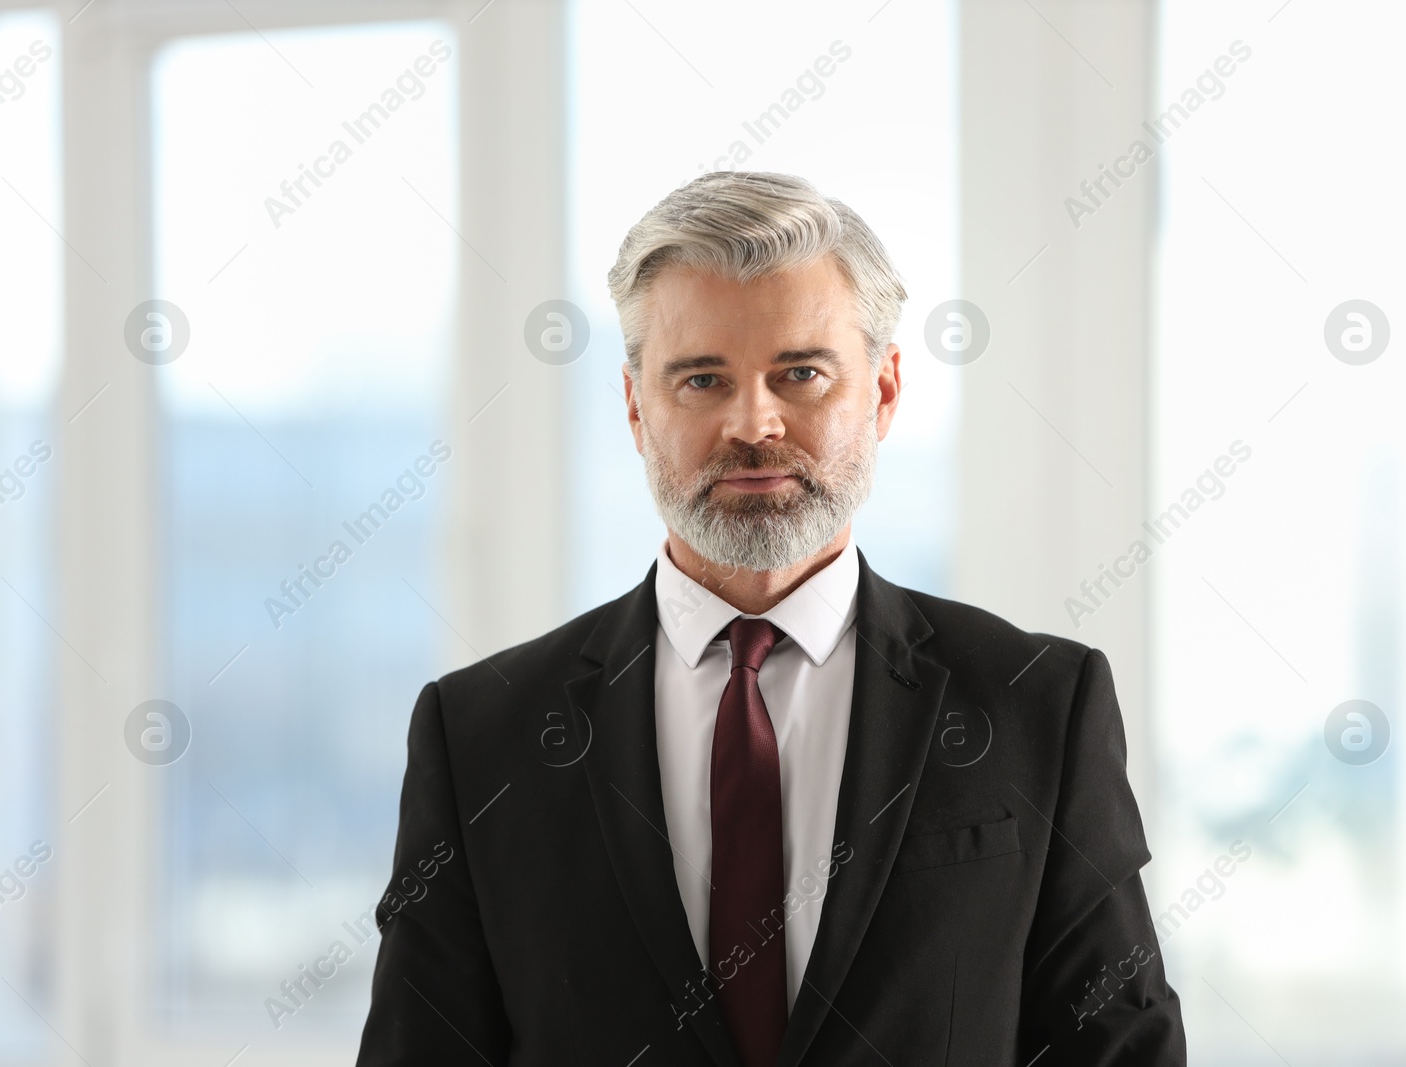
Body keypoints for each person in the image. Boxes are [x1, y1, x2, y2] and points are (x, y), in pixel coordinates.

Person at [356, 171, 1185, 1066]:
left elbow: (1121, 1049)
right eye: (703, 379)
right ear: (637, 407)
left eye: (801, 374)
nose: (754, 424)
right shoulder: (483, 733)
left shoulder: (1039, 708)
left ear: (885, 390)